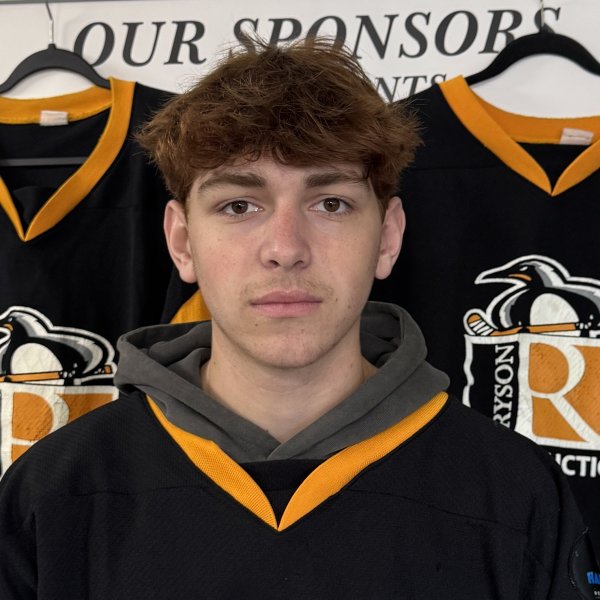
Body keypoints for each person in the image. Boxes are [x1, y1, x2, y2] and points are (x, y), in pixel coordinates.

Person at [0, 38, 598, 600]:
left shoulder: (516, 492)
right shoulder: (49, 493)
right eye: (239, 205)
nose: (285, 248)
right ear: (182, 242)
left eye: (330, 203)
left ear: (388, 238)